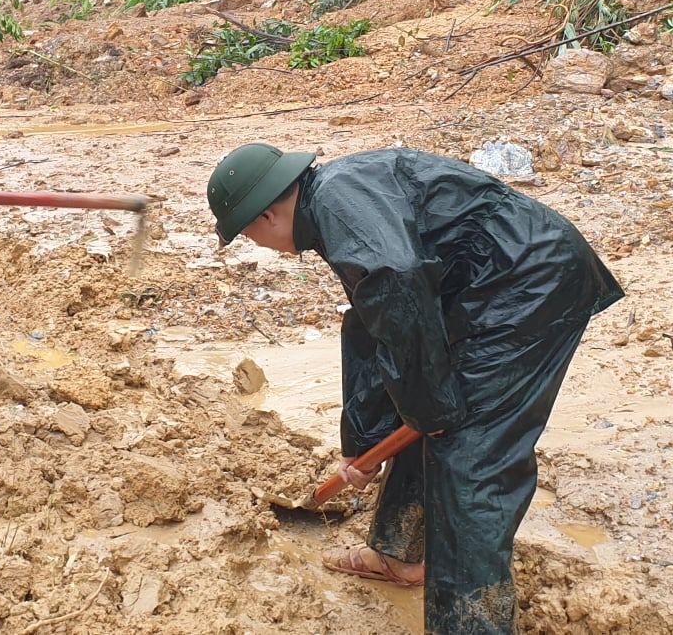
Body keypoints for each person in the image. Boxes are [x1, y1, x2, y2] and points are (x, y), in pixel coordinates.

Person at [206, 144, 622, 635]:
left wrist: (428, 410)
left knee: (470, 453)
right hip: (480, 285)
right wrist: (363, 441)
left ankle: (471, 625)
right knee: (428, 408)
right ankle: (400, 554)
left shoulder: (344, 208)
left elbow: (398, 300)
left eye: (248, 235)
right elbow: (373, 328)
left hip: (529, 285)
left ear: (268, 214)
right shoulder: (332, 202)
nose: (256, 245)